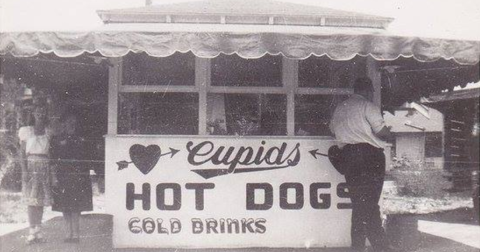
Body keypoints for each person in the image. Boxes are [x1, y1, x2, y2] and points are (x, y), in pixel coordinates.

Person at [329, 77, 394, 252]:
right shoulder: (368, 106)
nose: (372, 94)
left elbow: (332, 129)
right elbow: (382, 132)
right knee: (370, 203)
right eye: (371, 91)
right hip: (370, 158)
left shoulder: (340, 108)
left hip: (349, 157)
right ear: (367, 91)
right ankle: (381, 247)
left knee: (359, 203)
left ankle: (357, 247)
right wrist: (390, 136)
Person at [50, 113, 93, 243]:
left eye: (73, 121)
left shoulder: (82, 139)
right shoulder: (57, 139)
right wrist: (54, 177)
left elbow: (88, 157)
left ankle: (76, 234)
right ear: (63, 123)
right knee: (64, 205)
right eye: (68, 121)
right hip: (63, 175)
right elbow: (53, 159)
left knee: (76, 206)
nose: (71, 124)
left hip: (79, 175)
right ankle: (68, 233)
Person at [18, 106, 55, 244]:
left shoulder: (48, 132)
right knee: (31, 200)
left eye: (43, 111)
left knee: (40, 201)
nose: (40, 114)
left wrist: (51, 173)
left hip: (44, 166)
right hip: (31, 165)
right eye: (38, 111)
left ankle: (38, 230)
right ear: (33, 113)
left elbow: (50, 154)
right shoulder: (26, 131)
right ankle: (31, 231)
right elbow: (22, 153)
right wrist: (24, 170)